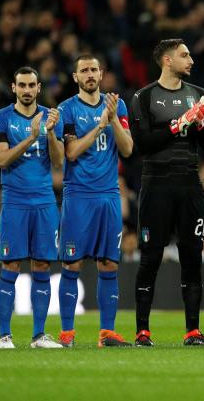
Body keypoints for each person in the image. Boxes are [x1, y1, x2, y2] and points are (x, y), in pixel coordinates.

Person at [130, 39, 204, 347]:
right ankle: (142, 332)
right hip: (156, 183)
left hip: (189, 183)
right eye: (184, 55)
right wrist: (180, 124)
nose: (190, 59)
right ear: (166, 60)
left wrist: (200, 122)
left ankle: (193, 331)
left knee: (192, 257)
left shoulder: (200, 95)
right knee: (150, 257)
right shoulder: (144, 96)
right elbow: (143, 144)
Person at [56, 55, 134, 347]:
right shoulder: (67, 109)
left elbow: (127, 149)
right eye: (84, 70)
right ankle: (67, 333)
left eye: (94, 70)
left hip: (109, 196)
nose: (90, 74)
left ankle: (107, 332)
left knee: (108, 265)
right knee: (72, 264)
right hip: (78, 195)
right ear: (75, 77)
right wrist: (100, 126)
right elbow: (72, 152)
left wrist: (112, 119)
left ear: (102, 74)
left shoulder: (118, 105)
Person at [0, 66, 63, 349]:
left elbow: (57, 162)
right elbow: (2, 160)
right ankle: (4, 336)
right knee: (11, 264)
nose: (27, 90)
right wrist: (32, 137)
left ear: (39, 87)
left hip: (44, 201)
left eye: (32, 85)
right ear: (14, 87)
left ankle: (39, 335)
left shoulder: (50, 116)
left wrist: (51, 134)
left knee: (42, 264)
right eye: (22, 85)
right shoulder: (0, 118)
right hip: (15, 201)